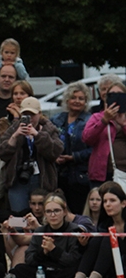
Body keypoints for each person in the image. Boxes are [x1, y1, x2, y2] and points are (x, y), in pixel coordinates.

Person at [0, 97, 63, 213]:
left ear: (40, 114)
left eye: (32, 115)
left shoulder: (49, 129)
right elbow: (2, 154)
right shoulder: (13, 129)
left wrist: (38, 136)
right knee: (19, 216)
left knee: (43, 215)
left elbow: (55, 152)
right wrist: (15, 137)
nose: (30, 119)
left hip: (42, 180)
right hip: (18, 179)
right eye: (26, 115)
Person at [62, 182, 126, 278]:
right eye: (105, 201)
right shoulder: (105, 224)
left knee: (107, 238)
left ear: (123, 203)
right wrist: (83, 244)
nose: (108, 204)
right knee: (98, 238)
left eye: (112, 201)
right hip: (113, 272)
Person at [12, 192, 84, 278]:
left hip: (63, 270)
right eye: (49, 211)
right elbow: (29, 259)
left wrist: (54, 250)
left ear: (64, 212)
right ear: (45, 214)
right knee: (20, 269)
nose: (53, 215)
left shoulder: (74, 230)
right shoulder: (39, 231)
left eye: (56, 211)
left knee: (77, 269)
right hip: (44, 271)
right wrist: (43, 252)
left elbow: (73, 260)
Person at [52, 82, 92, 213]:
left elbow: (94, 150)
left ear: (86, 102)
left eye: (81, 99)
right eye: (74, 98)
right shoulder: (56, 119)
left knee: (77, 212)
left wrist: (73, 157)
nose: (77, 101)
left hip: (80, 176)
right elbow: (48, 142)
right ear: (67, 100)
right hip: (58, 175)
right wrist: (54, 156)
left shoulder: (90, 121)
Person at [82, 81, 126, 188]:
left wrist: (123, 124)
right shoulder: (97, 117)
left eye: (119, 95)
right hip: (102, 173)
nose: (116, 97)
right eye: (112, 95)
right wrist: (104, 120)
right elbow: (87, 139)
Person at [0, 39, 30, 128]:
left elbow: (23, 75)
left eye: (12, 53)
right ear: (1, 53)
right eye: (6, 52)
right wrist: (0, 64)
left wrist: (16, 65)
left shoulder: (18, 62)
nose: (9, 56)